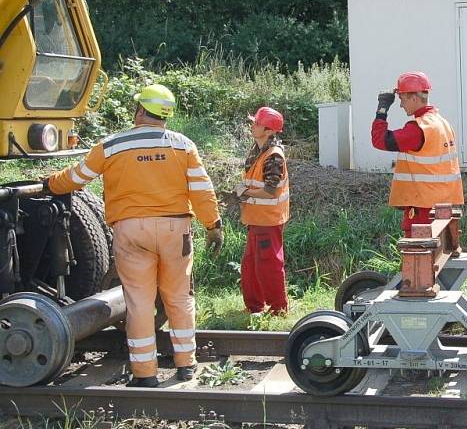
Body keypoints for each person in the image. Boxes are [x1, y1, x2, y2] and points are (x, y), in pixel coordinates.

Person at [45, 84, 223, 388]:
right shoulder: (183, 145)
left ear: (140, 110)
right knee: (179, 297)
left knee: (139, 302)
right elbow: (201, 189)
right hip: (175, 231)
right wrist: (213, 224)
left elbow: (76, 178)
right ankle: (186, 366)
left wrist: (50, 183)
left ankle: (145, 374)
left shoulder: (112, 145)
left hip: (131, 232)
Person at [371, 71, 464, 236]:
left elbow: (379, 140)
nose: (401, 105)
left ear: (414, 97)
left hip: (423, 208)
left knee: (418, 258)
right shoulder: (442, 123)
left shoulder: (418, 128)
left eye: (402, 99)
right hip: (443, 205)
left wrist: (382, 109)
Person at [235, 106, 289, 315]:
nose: (253, 125)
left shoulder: (273, 156)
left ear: (269, 130)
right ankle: (255, 307)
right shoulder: (258, 151)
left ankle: (278, 308)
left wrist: (244, 192)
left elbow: (271, 191)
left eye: (257, 123)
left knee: (269, 265)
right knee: (250, 266)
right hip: (256, 219)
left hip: (267, 220)